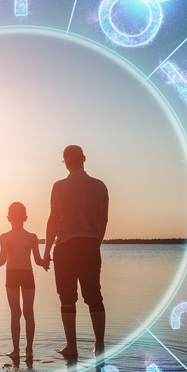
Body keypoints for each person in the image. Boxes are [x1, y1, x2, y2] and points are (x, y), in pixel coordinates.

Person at [43, 145, 109, 359]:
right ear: (83, 159)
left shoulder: (59, 187)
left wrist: (46, 251)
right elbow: (103, 220)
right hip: (90, 245)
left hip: (66, 246)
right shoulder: (100, 187)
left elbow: (53, 220)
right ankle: (99, 344)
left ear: (65, 161)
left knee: (67, 297)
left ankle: (72, 346)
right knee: (94, 296)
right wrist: (95, 242)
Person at [0, 202, 42, 362]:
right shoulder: (32, 237)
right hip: (27, 274)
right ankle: (29, 350)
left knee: (15, 313)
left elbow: (2, 260)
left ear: (8, 218)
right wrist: (45, 262)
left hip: (12, 275)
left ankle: (16, 350)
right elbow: (38, 261)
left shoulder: (5, 237)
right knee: (28, 312)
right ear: (25, 218)